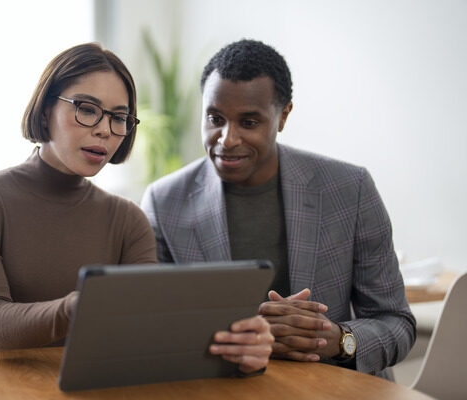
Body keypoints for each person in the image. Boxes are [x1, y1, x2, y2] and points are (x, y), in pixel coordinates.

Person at [0, 43, 272, 375]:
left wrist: (237, 349)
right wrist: (80, 307)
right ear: (45, 111)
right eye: (87, 109)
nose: (104, 129)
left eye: (119, 117)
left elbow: (145, 331)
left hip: (90, 387)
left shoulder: (128, 219)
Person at [140, 39, 416, 378]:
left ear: (283, 115)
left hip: (334, 387)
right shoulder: (164, 201)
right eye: (215, 118)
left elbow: (396, 323)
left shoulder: (350, 189)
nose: (227, 139)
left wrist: (340, 339)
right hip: (220, 387)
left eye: (249, 122)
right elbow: (154, 328)